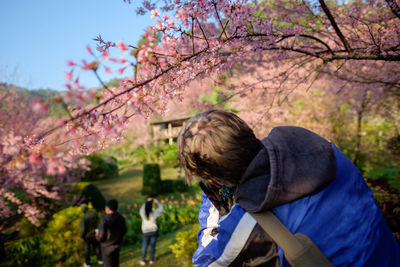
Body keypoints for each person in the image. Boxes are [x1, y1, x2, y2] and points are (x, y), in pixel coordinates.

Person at [177, 109, 400, 267]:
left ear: (213, 181)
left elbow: (207, 262)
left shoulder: (248, 228)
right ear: (246, 131)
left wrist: (214, 206)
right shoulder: (322, 151)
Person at [96, 199, 126, 267]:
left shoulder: (105, 219)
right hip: (117, 245)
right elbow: (124, 230)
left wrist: (97, 235)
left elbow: (101, 237)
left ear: (107, 208)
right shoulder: (121, 217)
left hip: (107, 247)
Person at [139, 198, 163, 266]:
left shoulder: (142, 213)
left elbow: (142, 208)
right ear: (151, 206)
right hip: (153, 231)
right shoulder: (154, 213)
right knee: (152, 246)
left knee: (144, 246)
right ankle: (151, 260)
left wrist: (146, 202)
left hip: (145, 231)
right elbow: (161, 209)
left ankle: (143, 260)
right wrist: (157, 202)